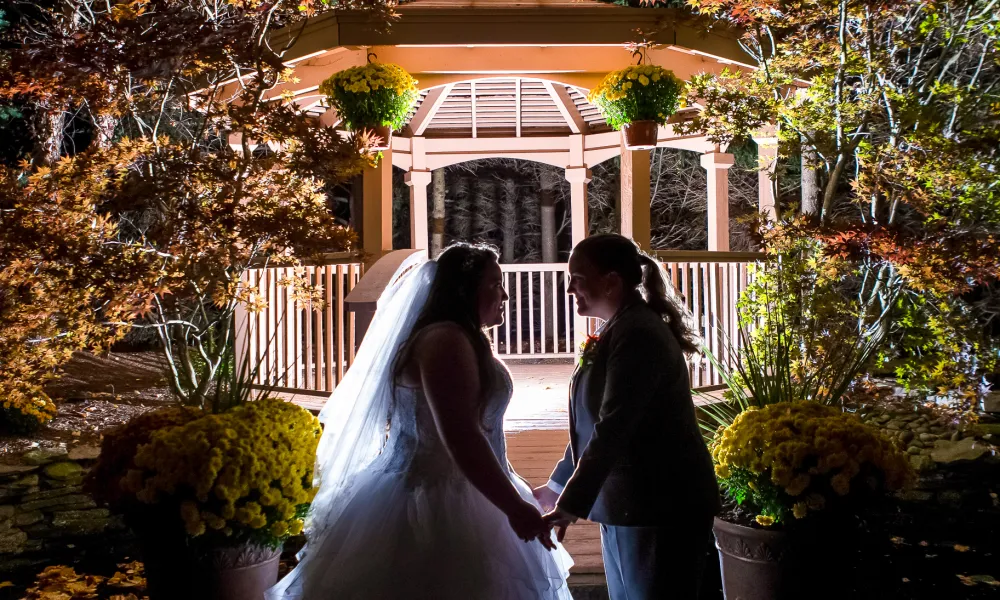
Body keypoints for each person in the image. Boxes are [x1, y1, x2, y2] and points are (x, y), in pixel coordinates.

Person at [267, 243, 573, 600]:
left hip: (468, 490)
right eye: (494, 283)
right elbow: (460, 436)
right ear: (465, 289)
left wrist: (515, 484)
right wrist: (513, 506)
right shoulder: (445, 341)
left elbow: (484, 432)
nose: (504, 294)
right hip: (433, 502)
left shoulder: (464, 338)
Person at [534, 234, 721, 600]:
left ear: (612, 281)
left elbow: (614, 426)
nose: (569, 287)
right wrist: (556, 486)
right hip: (628, 503)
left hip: (660, 505)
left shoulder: (639, 335)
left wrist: (570, 506)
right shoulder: (619, 328)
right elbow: (591, 423)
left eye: (577, 278)